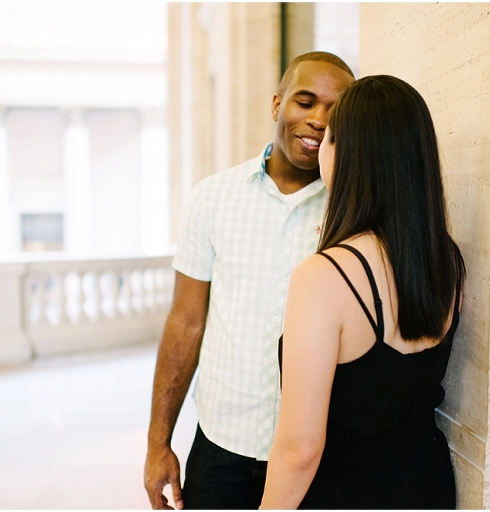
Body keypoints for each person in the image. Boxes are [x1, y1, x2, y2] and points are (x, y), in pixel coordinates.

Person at [143, 52, 355, 510]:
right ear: (277, 105)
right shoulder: (213, 197)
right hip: (220, 448)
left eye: (335, 111)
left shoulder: (351, 211)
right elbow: (185, 323)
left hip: (317, 456)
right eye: (305, 101)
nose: (319, 120)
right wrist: (158, 442)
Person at [260, 75, 466, 509]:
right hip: (426, 485)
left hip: (347, 492)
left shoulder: (323, 276)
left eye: (330, 137)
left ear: (346, 153)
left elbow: (299, 449)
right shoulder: (446, 259)